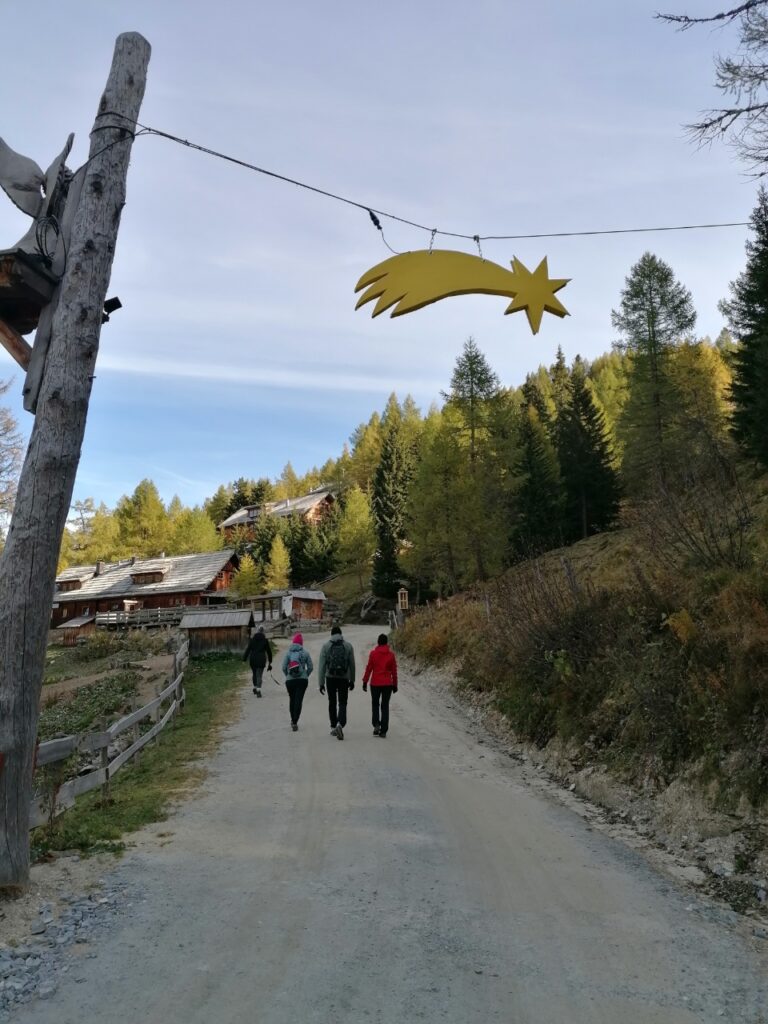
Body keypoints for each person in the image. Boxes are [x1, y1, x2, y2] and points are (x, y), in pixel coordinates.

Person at [318, 625, 356, 740]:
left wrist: (321, 683)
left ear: (331, 634)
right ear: (341, 634)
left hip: (330, 678)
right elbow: (352, 665)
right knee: (343, 702)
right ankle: (340, 724)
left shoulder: (326, 646)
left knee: (332, 702)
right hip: (343, 678)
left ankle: (333, 726)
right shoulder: (348, 646)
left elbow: (321, 666)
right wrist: (352, 680)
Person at [362, 633, 398, 738]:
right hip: (387, 684)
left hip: (375, 683)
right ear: (387, 643)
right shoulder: (391, 655)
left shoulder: (373, 654)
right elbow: (394, 672)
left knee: (375, 704)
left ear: (378, 642)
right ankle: (384, 731)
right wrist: (395, 685)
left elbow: (369, 668)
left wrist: (365, 681)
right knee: (385, 706)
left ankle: (376, 724)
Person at [281, 632, 313, 732]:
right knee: (299, 700)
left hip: (290, 681)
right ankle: (295, 721)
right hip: (302, 680)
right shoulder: (305, 653)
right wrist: (305, 675)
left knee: (292, 699)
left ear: (293, 642)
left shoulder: (288, 653)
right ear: (301, 643)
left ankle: (292, 719)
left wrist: (288, 676)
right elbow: (311, 667)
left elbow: (283, 667)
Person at [242, 625, 273, 697]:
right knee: (259, 675)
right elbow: (269, 651)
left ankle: (255, 687)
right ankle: (258, 690)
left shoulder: (252, 640)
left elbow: (248, 649)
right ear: (263, 632)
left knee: (254, 673)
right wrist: (270, 661)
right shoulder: (265, 640)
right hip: (261, 659)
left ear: (257, 631)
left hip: (253, 659)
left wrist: (244, 659)